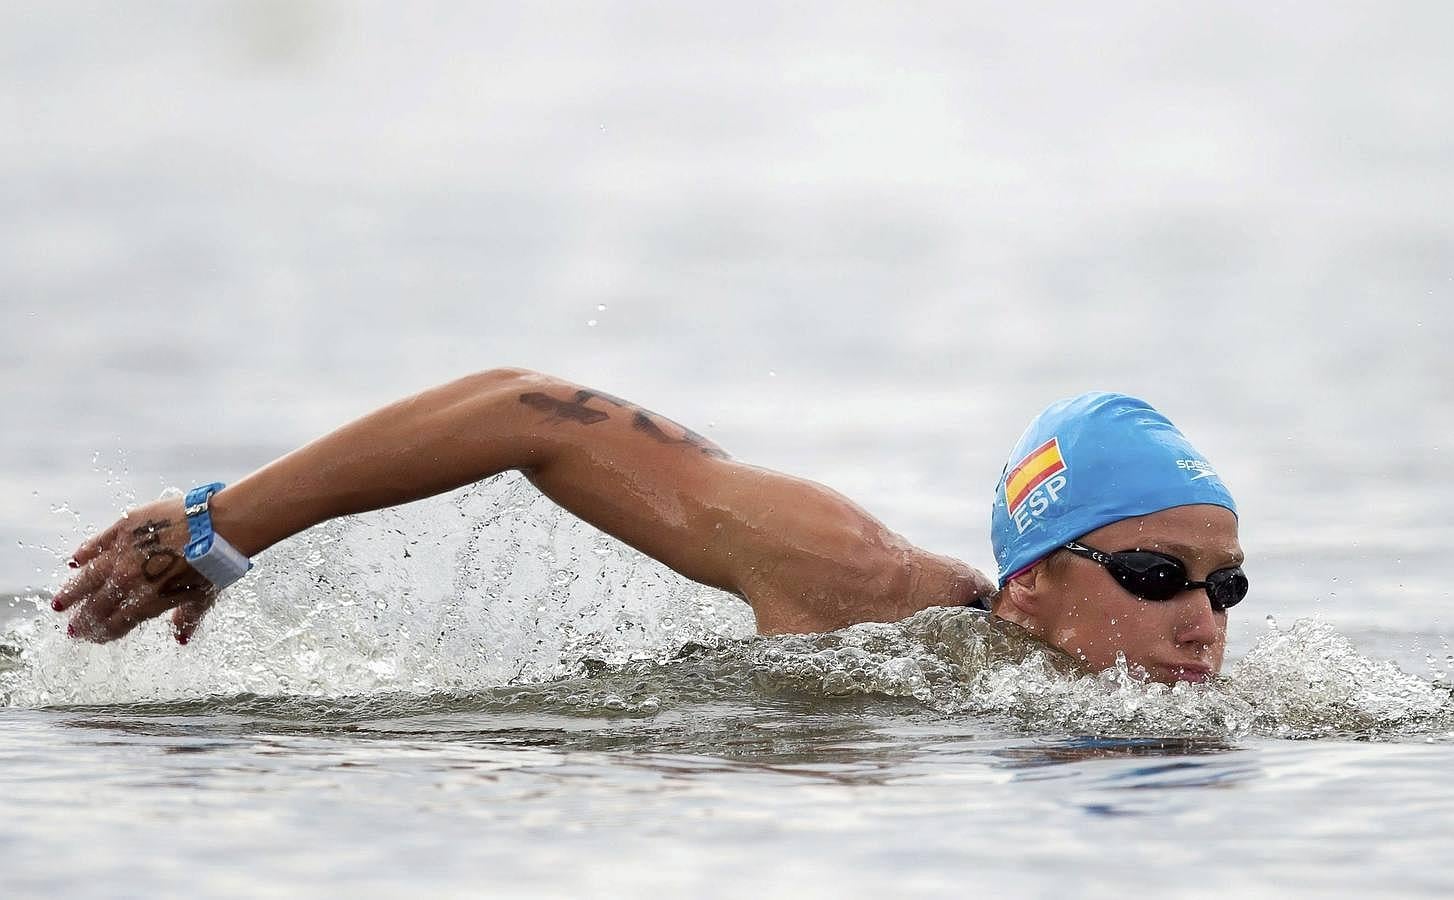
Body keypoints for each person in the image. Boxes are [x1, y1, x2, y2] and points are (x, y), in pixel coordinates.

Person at [49, 368, 1246, 684]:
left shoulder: (1237, 727)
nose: (1201, 621)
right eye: (1156, 574)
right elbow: (523, 410)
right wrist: (222, 524)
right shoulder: (858, 583)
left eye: (1223, 585)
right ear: (1030, 578)